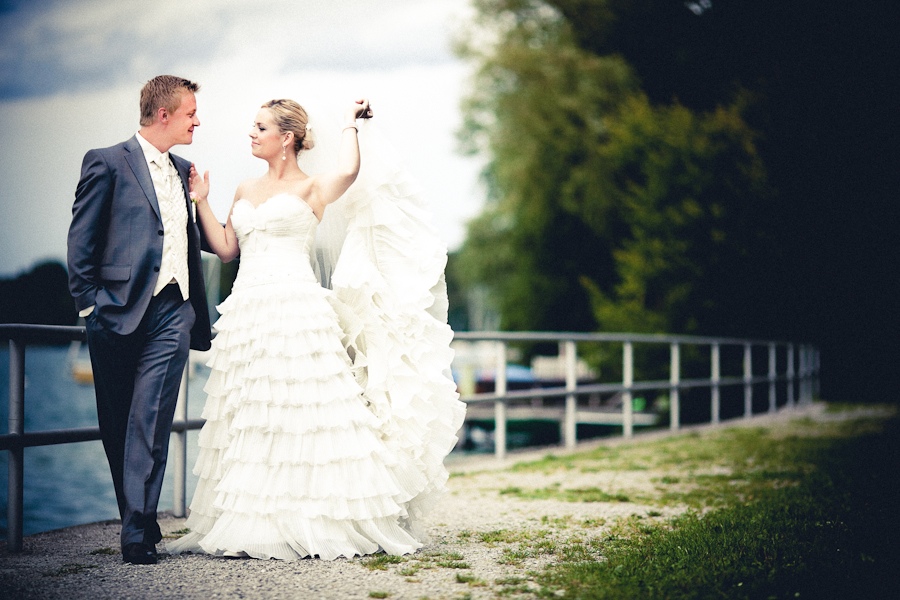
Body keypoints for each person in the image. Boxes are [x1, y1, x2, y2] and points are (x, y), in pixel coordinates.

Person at [166, 97, 465, 560]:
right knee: (256, 415)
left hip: (297, 307)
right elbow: (226, 248)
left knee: (309, 410)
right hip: (247, 312)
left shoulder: (313, 189)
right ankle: (261, 518)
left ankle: (320, 518)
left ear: (286, 138)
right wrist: (201, 202)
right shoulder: (244, 189)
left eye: (260, 127)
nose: (251, 133)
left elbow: (349, 171)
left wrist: (349, 124)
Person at [66, 75, 212, 565]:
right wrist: (90, 305)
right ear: (164, 114)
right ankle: (142, 520)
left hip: (173, 311)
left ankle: (135, 534)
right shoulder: (107, 161)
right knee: (117, 424)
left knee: (150, 419)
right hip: (113, 312)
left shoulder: (186, 170)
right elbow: (81, 240)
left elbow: (200, 239)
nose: (198, 120)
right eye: (191, 112)